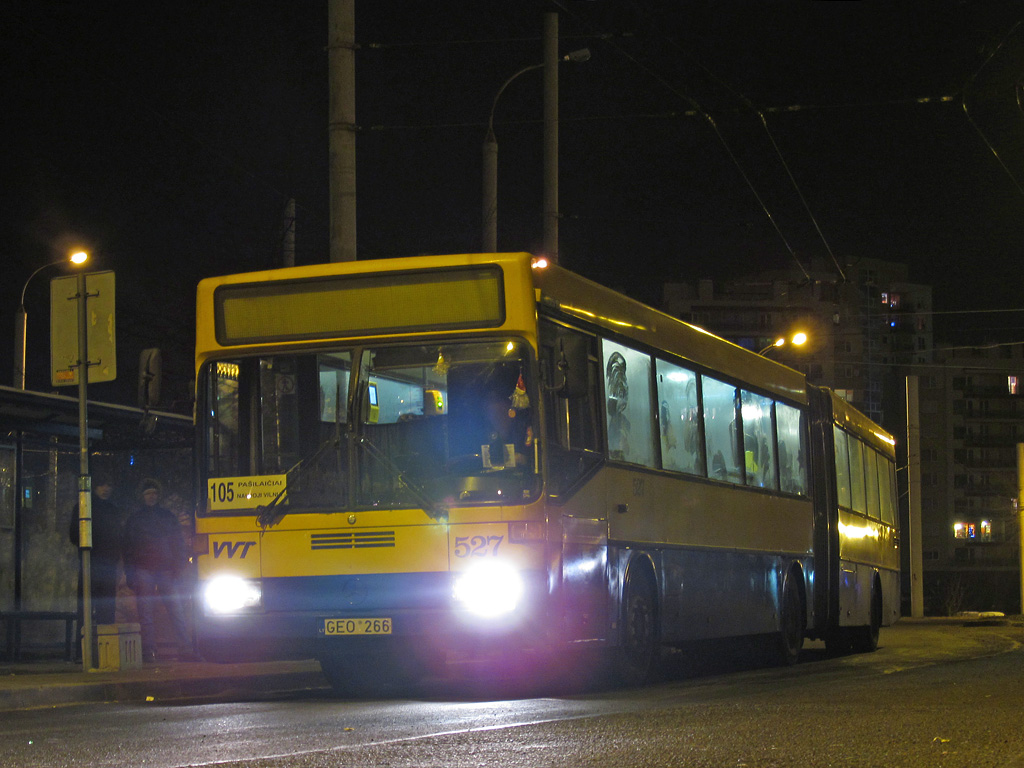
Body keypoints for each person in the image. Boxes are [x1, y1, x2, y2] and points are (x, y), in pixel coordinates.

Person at [122, 478, 199, 662]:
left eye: (154, 493)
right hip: (158, 569)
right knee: (172, 609)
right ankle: (181, 648)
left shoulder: (136, 519)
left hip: (152, 569)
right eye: (149, 493)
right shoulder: (165, 517)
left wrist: (131, 573)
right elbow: (129, 548)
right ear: (143, 496)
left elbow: (129, 548)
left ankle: (151, 651)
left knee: (152, 612)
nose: (152, 496)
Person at [68, 473, 122, 629]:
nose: (105, 489)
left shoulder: (84, 507)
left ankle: (84, 648)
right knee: (104, 610)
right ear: (95, 487)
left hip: (91, 562)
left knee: (87, 608)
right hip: (98, 564)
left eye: (108, 485)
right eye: (102, 485)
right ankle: (101, 648)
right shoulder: (111, 510)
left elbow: (74, 535)